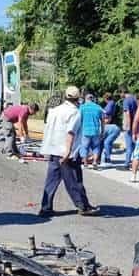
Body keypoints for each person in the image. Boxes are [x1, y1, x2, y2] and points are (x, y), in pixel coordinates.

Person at [39, 86, 99, 217]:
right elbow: (70, 132)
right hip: (67, 152)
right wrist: (68, 151)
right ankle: (83, 206)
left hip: (54, 150)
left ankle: (45, 207)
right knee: (75, 180)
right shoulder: (75, 112)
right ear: (78, 98)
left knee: (51, 181)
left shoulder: (54, 110)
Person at [79, 93, 104, 169]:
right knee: (96, 147)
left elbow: (79, 119)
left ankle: (85, 163)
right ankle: (95, 162)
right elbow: (102, 120)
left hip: (85, 130)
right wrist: (102, 131)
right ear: (92, 99)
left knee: (84, 147)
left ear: (86, 99)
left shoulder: (82, 107)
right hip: (96, 131)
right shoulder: (98, 107)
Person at [120, 87, 139, 170]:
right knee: (134, 145)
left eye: (120, 93)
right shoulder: (134, 99)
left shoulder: (126, 101)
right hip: (135, 125)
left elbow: (127, 114)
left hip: (129, 126)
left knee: (129, 146)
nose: (120, 95)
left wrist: (127, 126)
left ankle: (126, 164)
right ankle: (133, 163)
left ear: (123, 93)